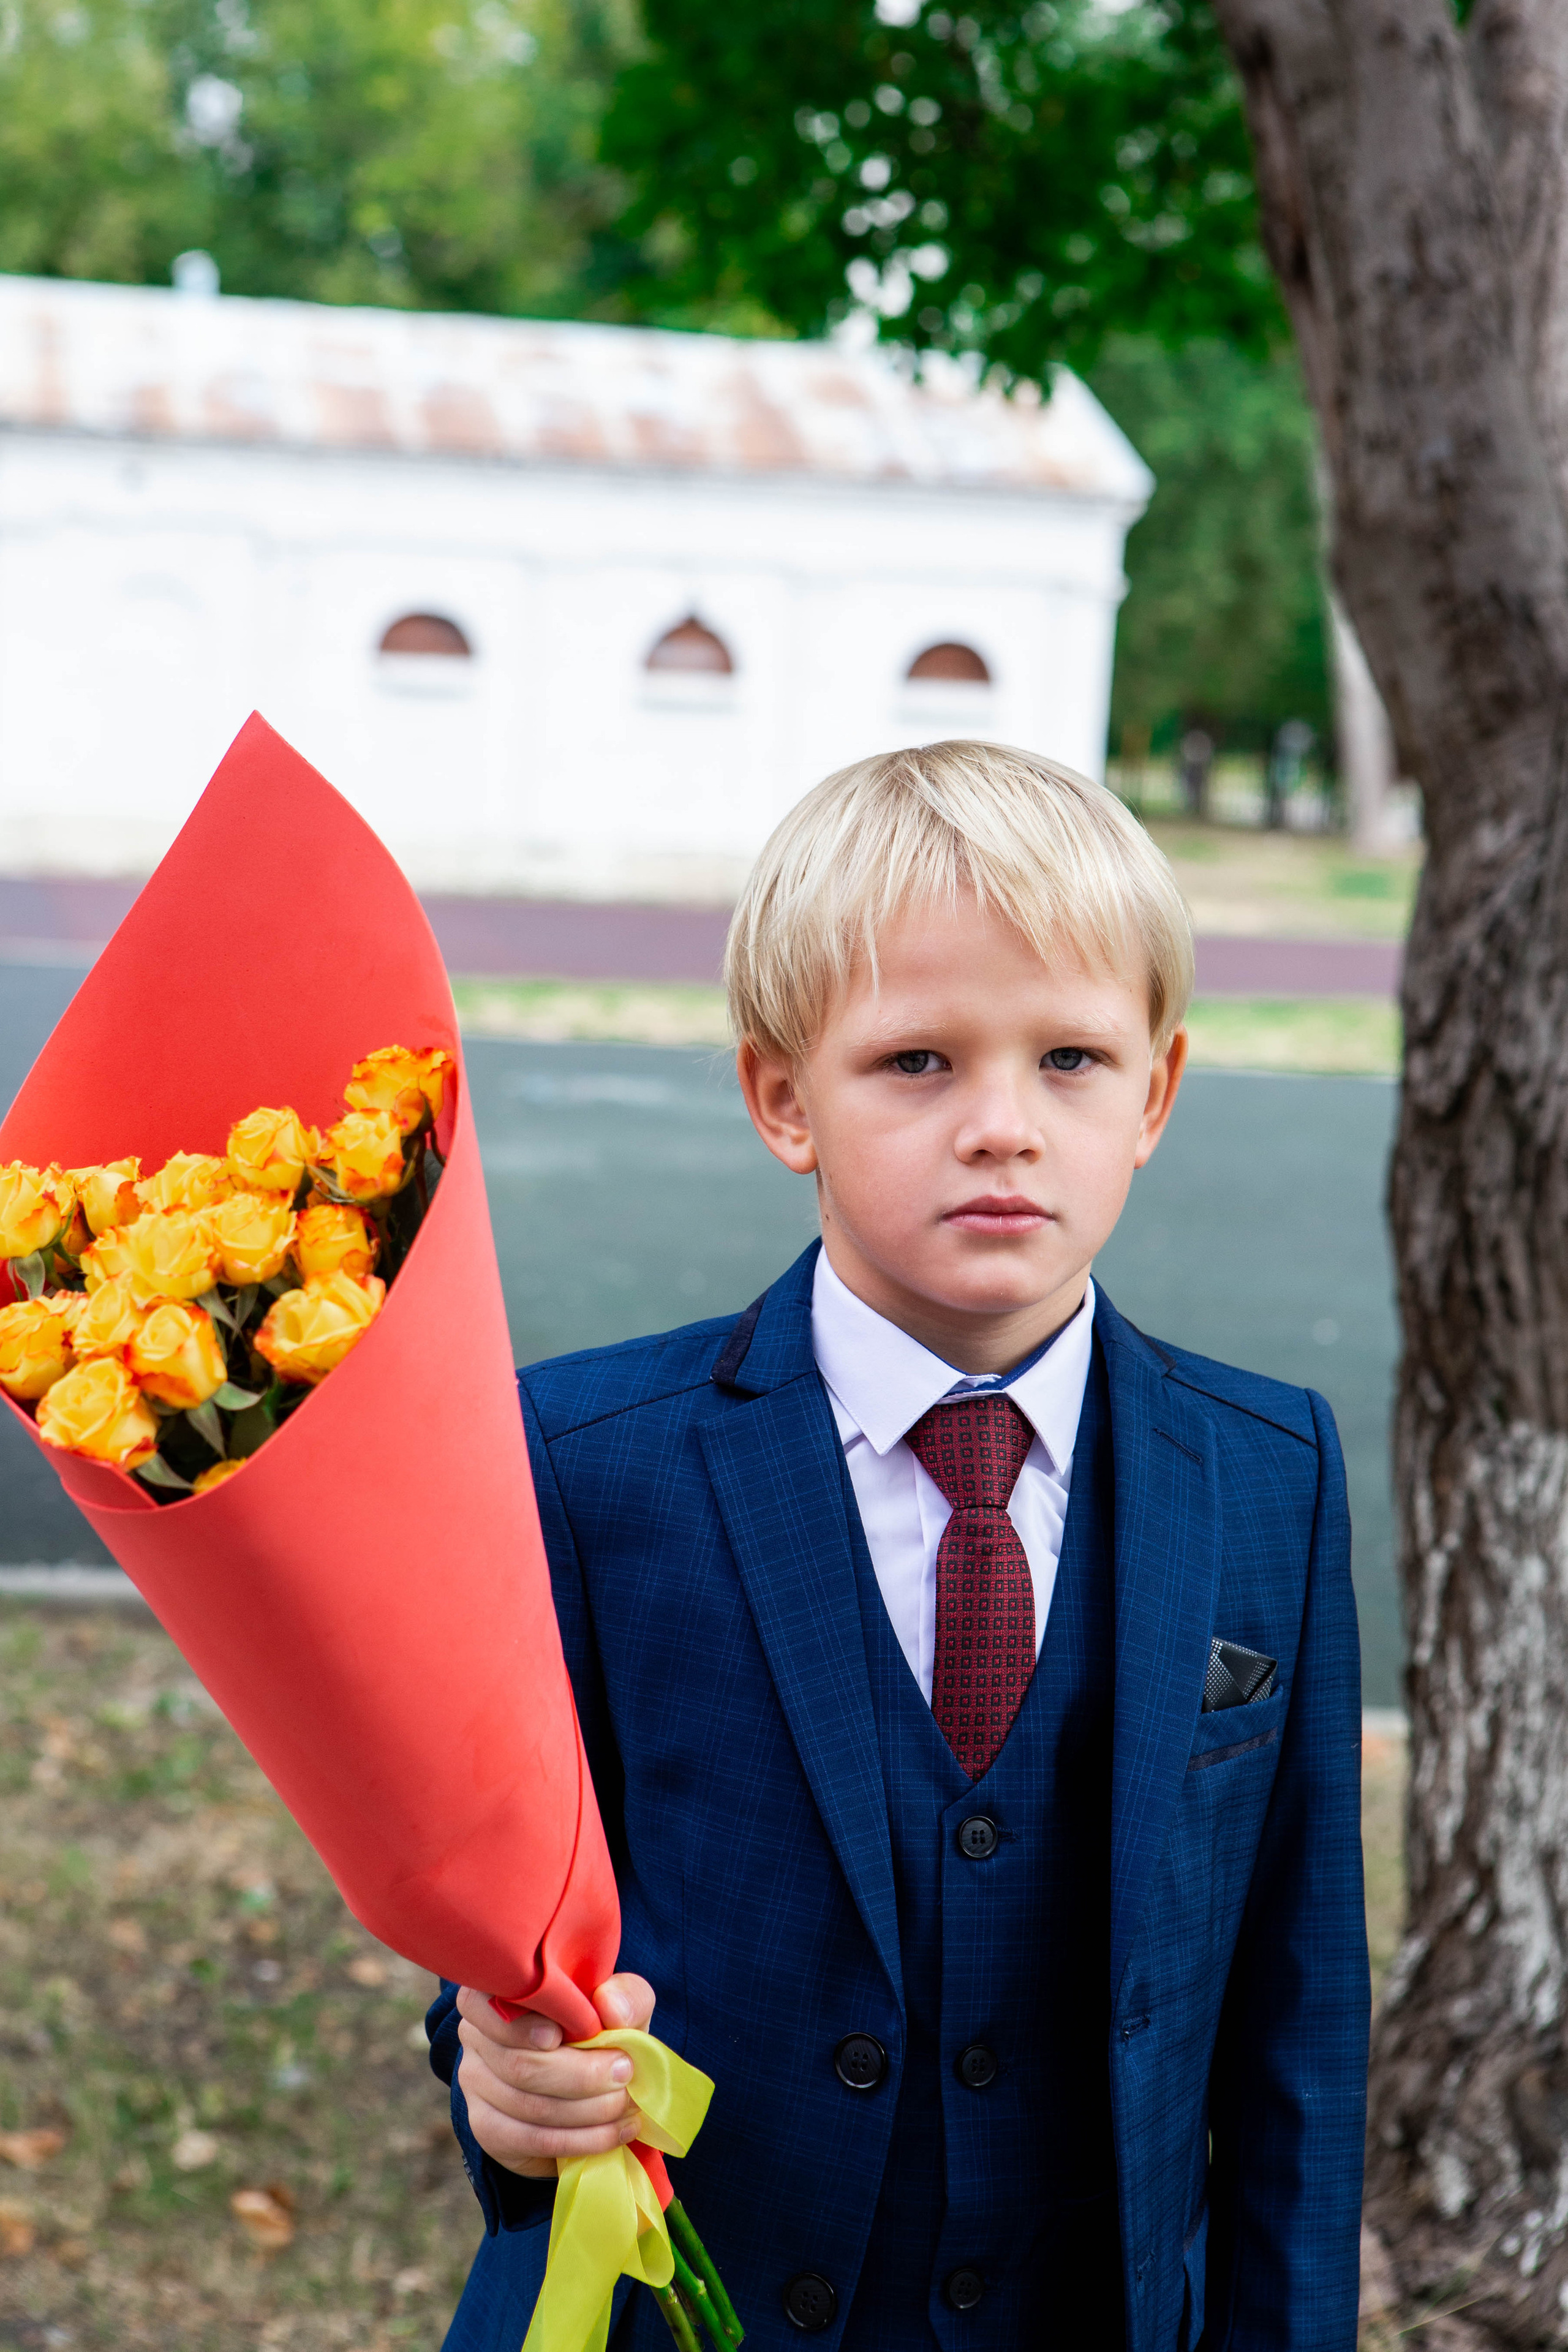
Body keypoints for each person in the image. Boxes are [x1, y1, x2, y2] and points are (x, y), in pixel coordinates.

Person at [426, 741, 1369, 2350]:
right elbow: (503, 1938)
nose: (1002, 1127)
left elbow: (1300, 2029)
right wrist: (503, 2092)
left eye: (1070, 1059)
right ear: (784, 1098)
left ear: (1155, 1093)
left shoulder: (1273, 1471)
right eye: (917, 1061)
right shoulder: (580, 1460)